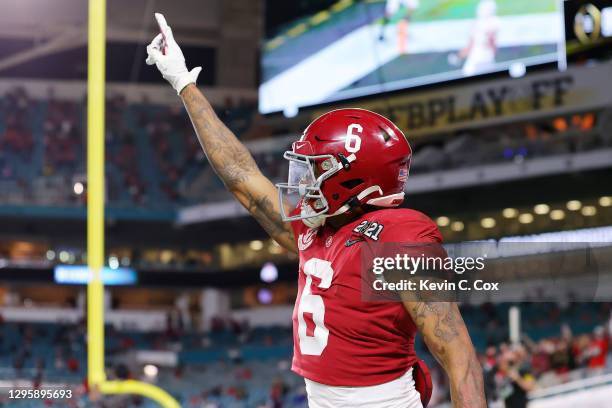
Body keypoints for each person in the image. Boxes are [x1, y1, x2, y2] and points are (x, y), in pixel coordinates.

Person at [146, 13, 485, 408]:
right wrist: (185, 84)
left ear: (356, 180)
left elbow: (459, 359)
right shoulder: (317, 231)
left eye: (315, 170)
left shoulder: (398, 240)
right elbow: (240, 175)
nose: (304, 183)